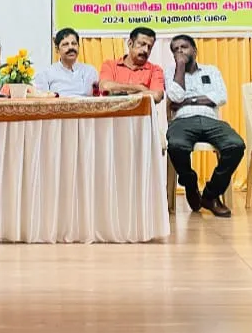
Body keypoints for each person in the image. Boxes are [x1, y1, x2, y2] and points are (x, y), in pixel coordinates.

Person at [164, 34, 243, 218]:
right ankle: (190, 182)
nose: (180, 51)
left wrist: (188, 101)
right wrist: (180, 67)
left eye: (184, 47)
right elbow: (175, 97)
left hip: (210, 120)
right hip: (182, 120)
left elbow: (221, 96)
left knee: (236, 145)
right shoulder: (171, 72)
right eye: (175, 50)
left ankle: (210, 195)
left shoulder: (211, 70)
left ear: (195, 50)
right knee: (176, 146)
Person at [98, 26, 165, 102]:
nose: (146, 50)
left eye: (149, 47)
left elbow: (156, 96)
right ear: (130, 43)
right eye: (142, 44)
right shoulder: (110, 65)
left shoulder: (155, 70)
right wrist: (140, 88)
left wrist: (122, 96)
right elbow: (105, 87)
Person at [33, 28, 99, 97]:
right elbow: (42, 99)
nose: (71, 47)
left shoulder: (90, 71)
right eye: (65, 44)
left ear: (78, 46)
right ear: (57, 49)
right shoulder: (46, 73)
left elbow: (97, 98)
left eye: (74, 44)